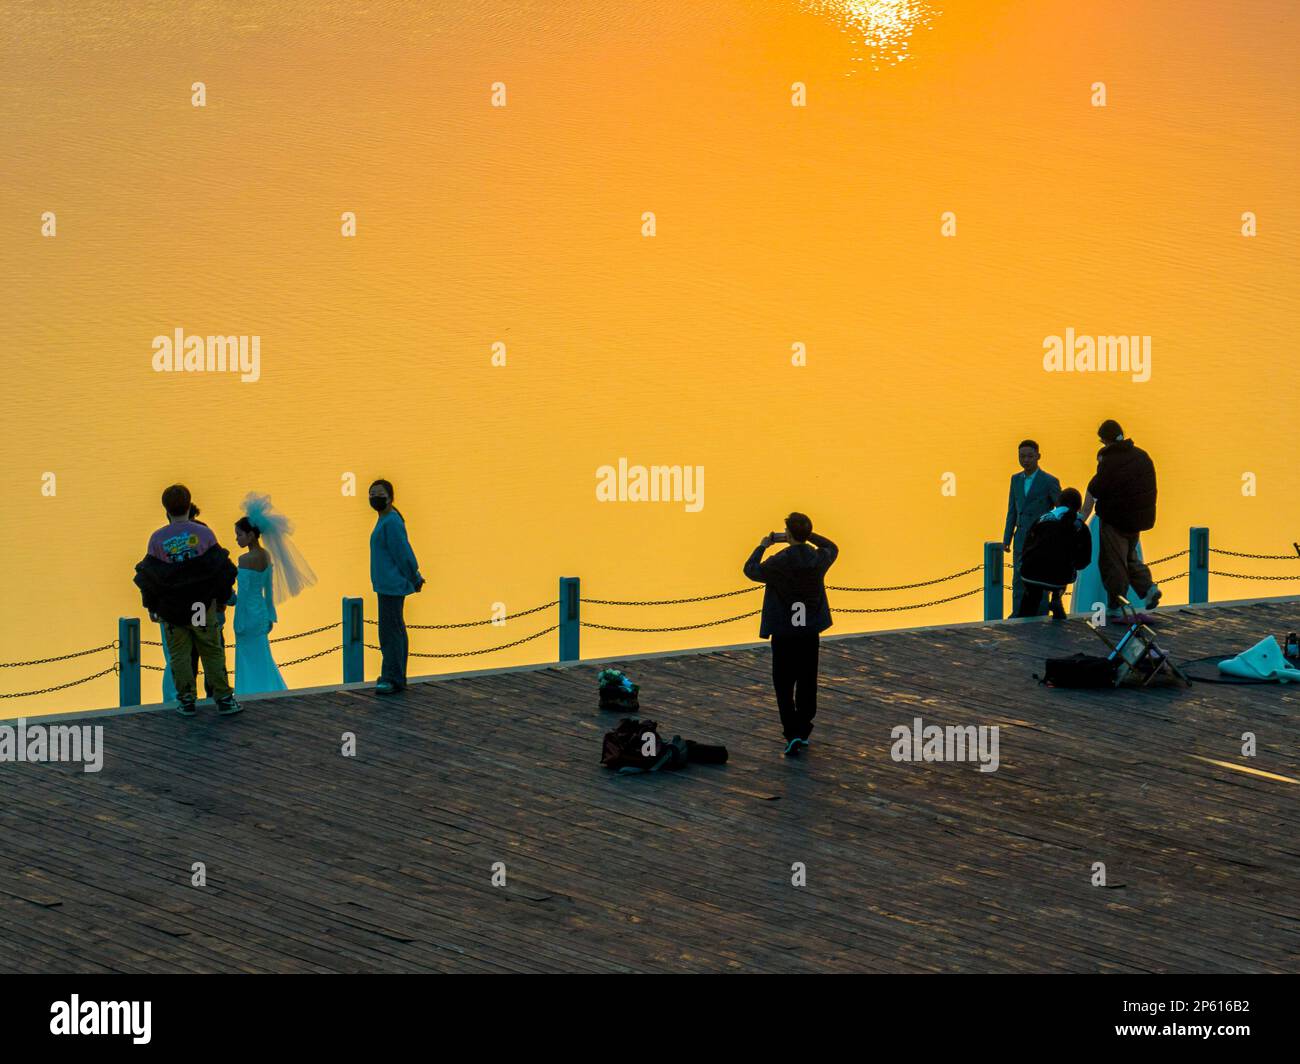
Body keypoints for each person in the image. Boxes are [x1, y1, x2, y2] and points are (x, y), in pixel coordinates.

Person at [134, 484, 241, 717]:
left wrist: (151, 606)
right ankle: (223, 699)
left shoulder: (157, 539)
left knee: (179, 656)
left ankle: (186, 701)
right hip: (199, 606)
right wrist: (222, 598)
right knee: (211, 650)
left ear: (166, 510)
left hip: (173, 610)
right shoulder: (204, 534)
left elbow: (149, 577)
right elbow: (222, 570)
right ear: (189, 504)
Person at [743, 513, 838, 757]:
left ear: (788, 534)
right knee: (807, 682)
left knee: (783, 685)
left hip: (784, 634)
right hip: (808, 633)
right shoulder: (818, 558)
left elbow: (751, 570)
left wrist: (763, 546)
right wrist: (806, 536)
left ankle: (792, 732)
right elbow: (832, 547)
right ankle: (803, 729)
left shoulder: (779, 562)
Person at [232, 493, 317, 695]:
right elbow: (268, 590)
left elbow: (242, 596)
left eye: (239, 535)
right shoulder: (266, 555)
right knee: (262, 654)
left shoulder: (244, 560)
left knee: (247, 656)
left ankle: (248, 692)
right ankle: (268, 689)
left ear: (251, 535)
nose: (237, 538)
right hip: (261, 612)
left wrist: (238, 620)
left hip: (247, 615)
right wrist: (270, 615)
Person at [1080, 420, 1160, 623]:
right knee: (1131, 558)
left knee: (1113, 563)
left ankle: (1115, 605)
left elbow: (1098, 487)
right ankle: (1148, 588)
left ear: (1104, 439)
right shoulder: (1142, 456)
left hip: (1114, 520)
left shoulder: (1110, 460)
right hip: (1136, 520)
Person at [368, 479, 425, 694]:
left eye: (379, 494)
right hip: (385, 585)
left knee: (390, 632)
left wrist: (414, 576)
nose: (375, 497)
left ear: (390, 497)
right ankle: (396, 676)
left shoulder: (391, 522)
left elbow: (403, 553)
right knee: (395, 630)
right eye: (372, 494)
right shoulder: (385, 519)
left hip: (391, 586)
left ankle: (392, 678)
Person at [1002, 440, 1061, 616]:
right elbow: (1012, 511)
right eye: (1022, 456)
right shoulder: (1015, 479)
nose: (1025, 460)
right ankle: (1018, 612)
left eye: (1029, 456)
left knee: (1040, 575)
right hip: (1020, 537)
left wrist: (1054, 534)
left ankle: (1041, 612)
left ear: (1038, 457)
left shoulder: (1049, 481)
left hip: (1041, 538)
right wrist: (1007, 538)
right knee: (1018, 577)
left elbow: (1060, 509)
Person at [1014, 489, 1093, 619]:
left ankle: (1024, 619)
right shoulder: (1080, 526)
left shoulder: (1042, 519)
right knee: (1063, 565)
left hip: (1030, 572)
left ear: (1058, 503)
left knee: (1031, 596)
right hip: (1058, 578)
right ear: (1078, 507)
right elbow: (1084, 559)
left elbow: (1026, 546)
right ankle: (1057, 596)